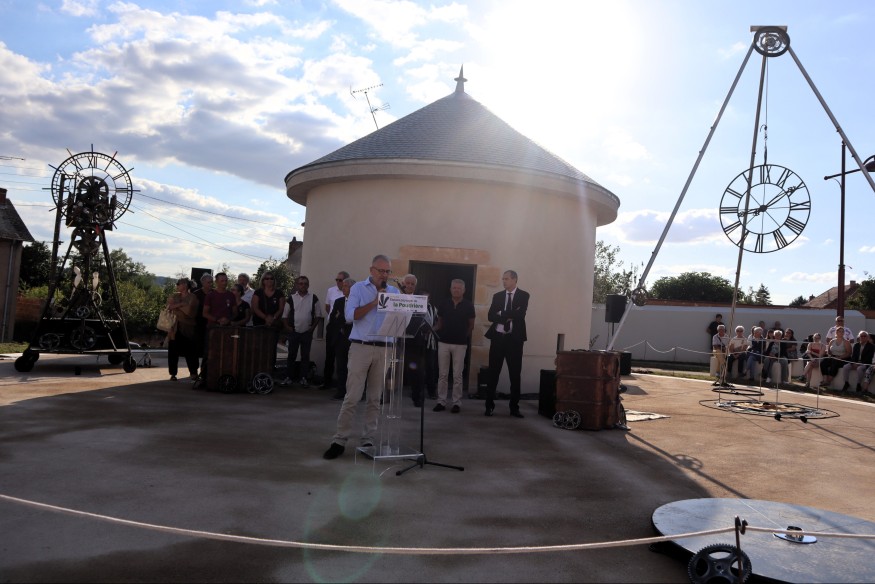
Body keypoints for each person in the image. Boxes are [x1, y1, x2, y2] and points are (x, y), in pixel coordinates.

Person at [323, 254, 400, 460]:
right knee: (353, 396)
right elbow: (351, 316)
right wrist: (375, 302)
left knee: (375, 398)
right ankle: (340, 440)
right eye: (381, 271)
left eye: (388, 271)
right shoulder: (357, 289)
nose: (385, 275)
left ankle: (368, 440)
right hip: (361, 347)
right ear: (371, 270)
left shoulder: (394, 291)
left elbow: (401, 318)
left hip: (384, 347)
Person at [484, 270, 530, 418]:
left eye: (507, 279)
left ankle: (514, 407)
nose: (503, 281)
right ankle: (489, 406)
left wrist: (501, 313)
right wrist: (508, 316)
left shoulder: (524, 295)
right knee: (493, 373)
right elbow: (490, 316)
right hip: (498, 338)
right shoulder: (497, 296)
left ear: (515, 280)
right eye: (503, 279)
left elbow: (520, 314)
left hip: (514, 341)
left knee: (515, 375)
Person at [433, 279, 475, 413]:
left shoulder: (469, 305)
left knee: (457, 375)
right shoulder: (443, 303)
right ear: (450, 289)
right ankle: (441, 401)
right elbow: (439, 323)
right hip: (443, 343)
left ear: (463, 290)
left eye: (459, 288)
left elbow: (471, 325)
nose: (456, 290)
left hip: (460, 345)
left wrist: (463, 337)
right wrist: (431, 331)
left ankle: (456, 403)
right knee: (443, 374)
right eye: (454, 288)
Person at [281, 275, 323, 387]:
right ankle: (288, 377)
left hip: (306, 333)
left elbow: (318, 315)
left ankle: (303, 378)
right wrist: (287, 327)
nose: (303, 285)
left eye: (305, 283)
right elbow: (284, 315)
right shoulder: (291, 298)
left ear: (308, 285)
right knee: (291, 355)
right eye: (300, 283)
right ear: (297, 285)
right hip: (294, 331)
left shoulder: (313, 298)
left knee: (305, 356)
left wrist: (312, 328)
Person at [197, 272, 235, 388]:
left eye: (226, 280)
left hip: (227, 330)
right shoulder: (211, 295)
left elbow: (235, 312)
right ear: (217, 282)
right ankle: (204, 379)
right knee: (208, 353)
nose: (224, 282)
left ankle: (224, 378)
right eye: (222, 280)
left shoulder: (231, 295)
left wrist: (228, 319)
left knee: (227, 354)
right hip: (213, 329)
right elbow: (205, 313)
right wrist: (218, 320)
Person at [398, 273, 430, 407]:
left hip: (414, 340)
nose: (409, 286)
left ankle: (417, 397)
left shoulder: (419, 301)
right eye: (407, 283)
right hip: (397, 339)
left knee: (416, 371)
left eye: (412, 284)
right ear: (403, 284)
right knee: (391, 368)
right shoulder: (396, 298)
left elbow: (427, 320)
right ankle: (385, 396)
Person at [321, 270, 350, 389]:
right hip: (332, 327)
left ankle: (341, 385)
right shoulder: (331, 291)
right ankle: (327, 382)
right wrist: (335, 320)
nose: (338, 282)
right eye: (337, 280)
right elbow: (328, 307)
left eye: (340, 280)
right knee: (329, 355)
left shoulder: (350, 292)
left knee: (342, 357)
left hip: (345, 329)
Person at [165, 277, 199, 382]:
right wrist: (181, 304)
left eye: (178, 284)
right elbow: (169, 307)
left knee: (190, 351)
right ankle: (173, 374)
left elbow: (189, 311)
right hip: (174, 328)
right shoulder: (175, 296)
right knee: (173, 351)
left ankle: (193, 373)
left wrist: (177, 306)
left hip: (187, 328)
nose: (177, 286)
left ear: (184, 285)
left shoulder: (193, 297)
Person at [328, 277, 355, 401]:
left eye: (345, 286)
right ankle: (341, 390)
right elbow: (333, 318)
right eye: (342, 286)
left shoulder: (358, 301)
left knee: (354, 367)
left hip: (354, 337)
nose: (343, 288)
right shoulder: (339, 301)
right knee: (341, 365)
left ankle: (354, 391)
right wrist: (340, 326)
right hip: (341, 337)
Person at [192, 272, 214, 380]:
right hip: (198, 325)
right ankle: (194, 372)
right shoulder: (196, 294)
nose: (210, 284)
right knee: (196, 349)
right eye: (208, 282)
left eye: (211, 282)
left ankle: (205, 371)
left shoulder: (215, 293)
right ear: (203, 283)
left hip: (211, 325)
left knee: (209, 350)